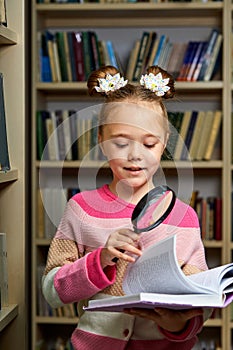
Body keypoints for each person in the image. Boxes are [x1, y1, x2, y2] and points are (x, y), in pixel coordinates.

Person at [42, 65, 211, 350]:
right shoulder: (81, 208)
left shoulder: (185, 217)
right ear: (101, 142)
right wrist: (102, 258)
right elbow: (52, 290)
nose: (135, 155)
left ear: (165, 143)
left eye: (149, 143)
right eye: (120, 143)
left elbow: (201, 303)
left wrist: (178, 325)